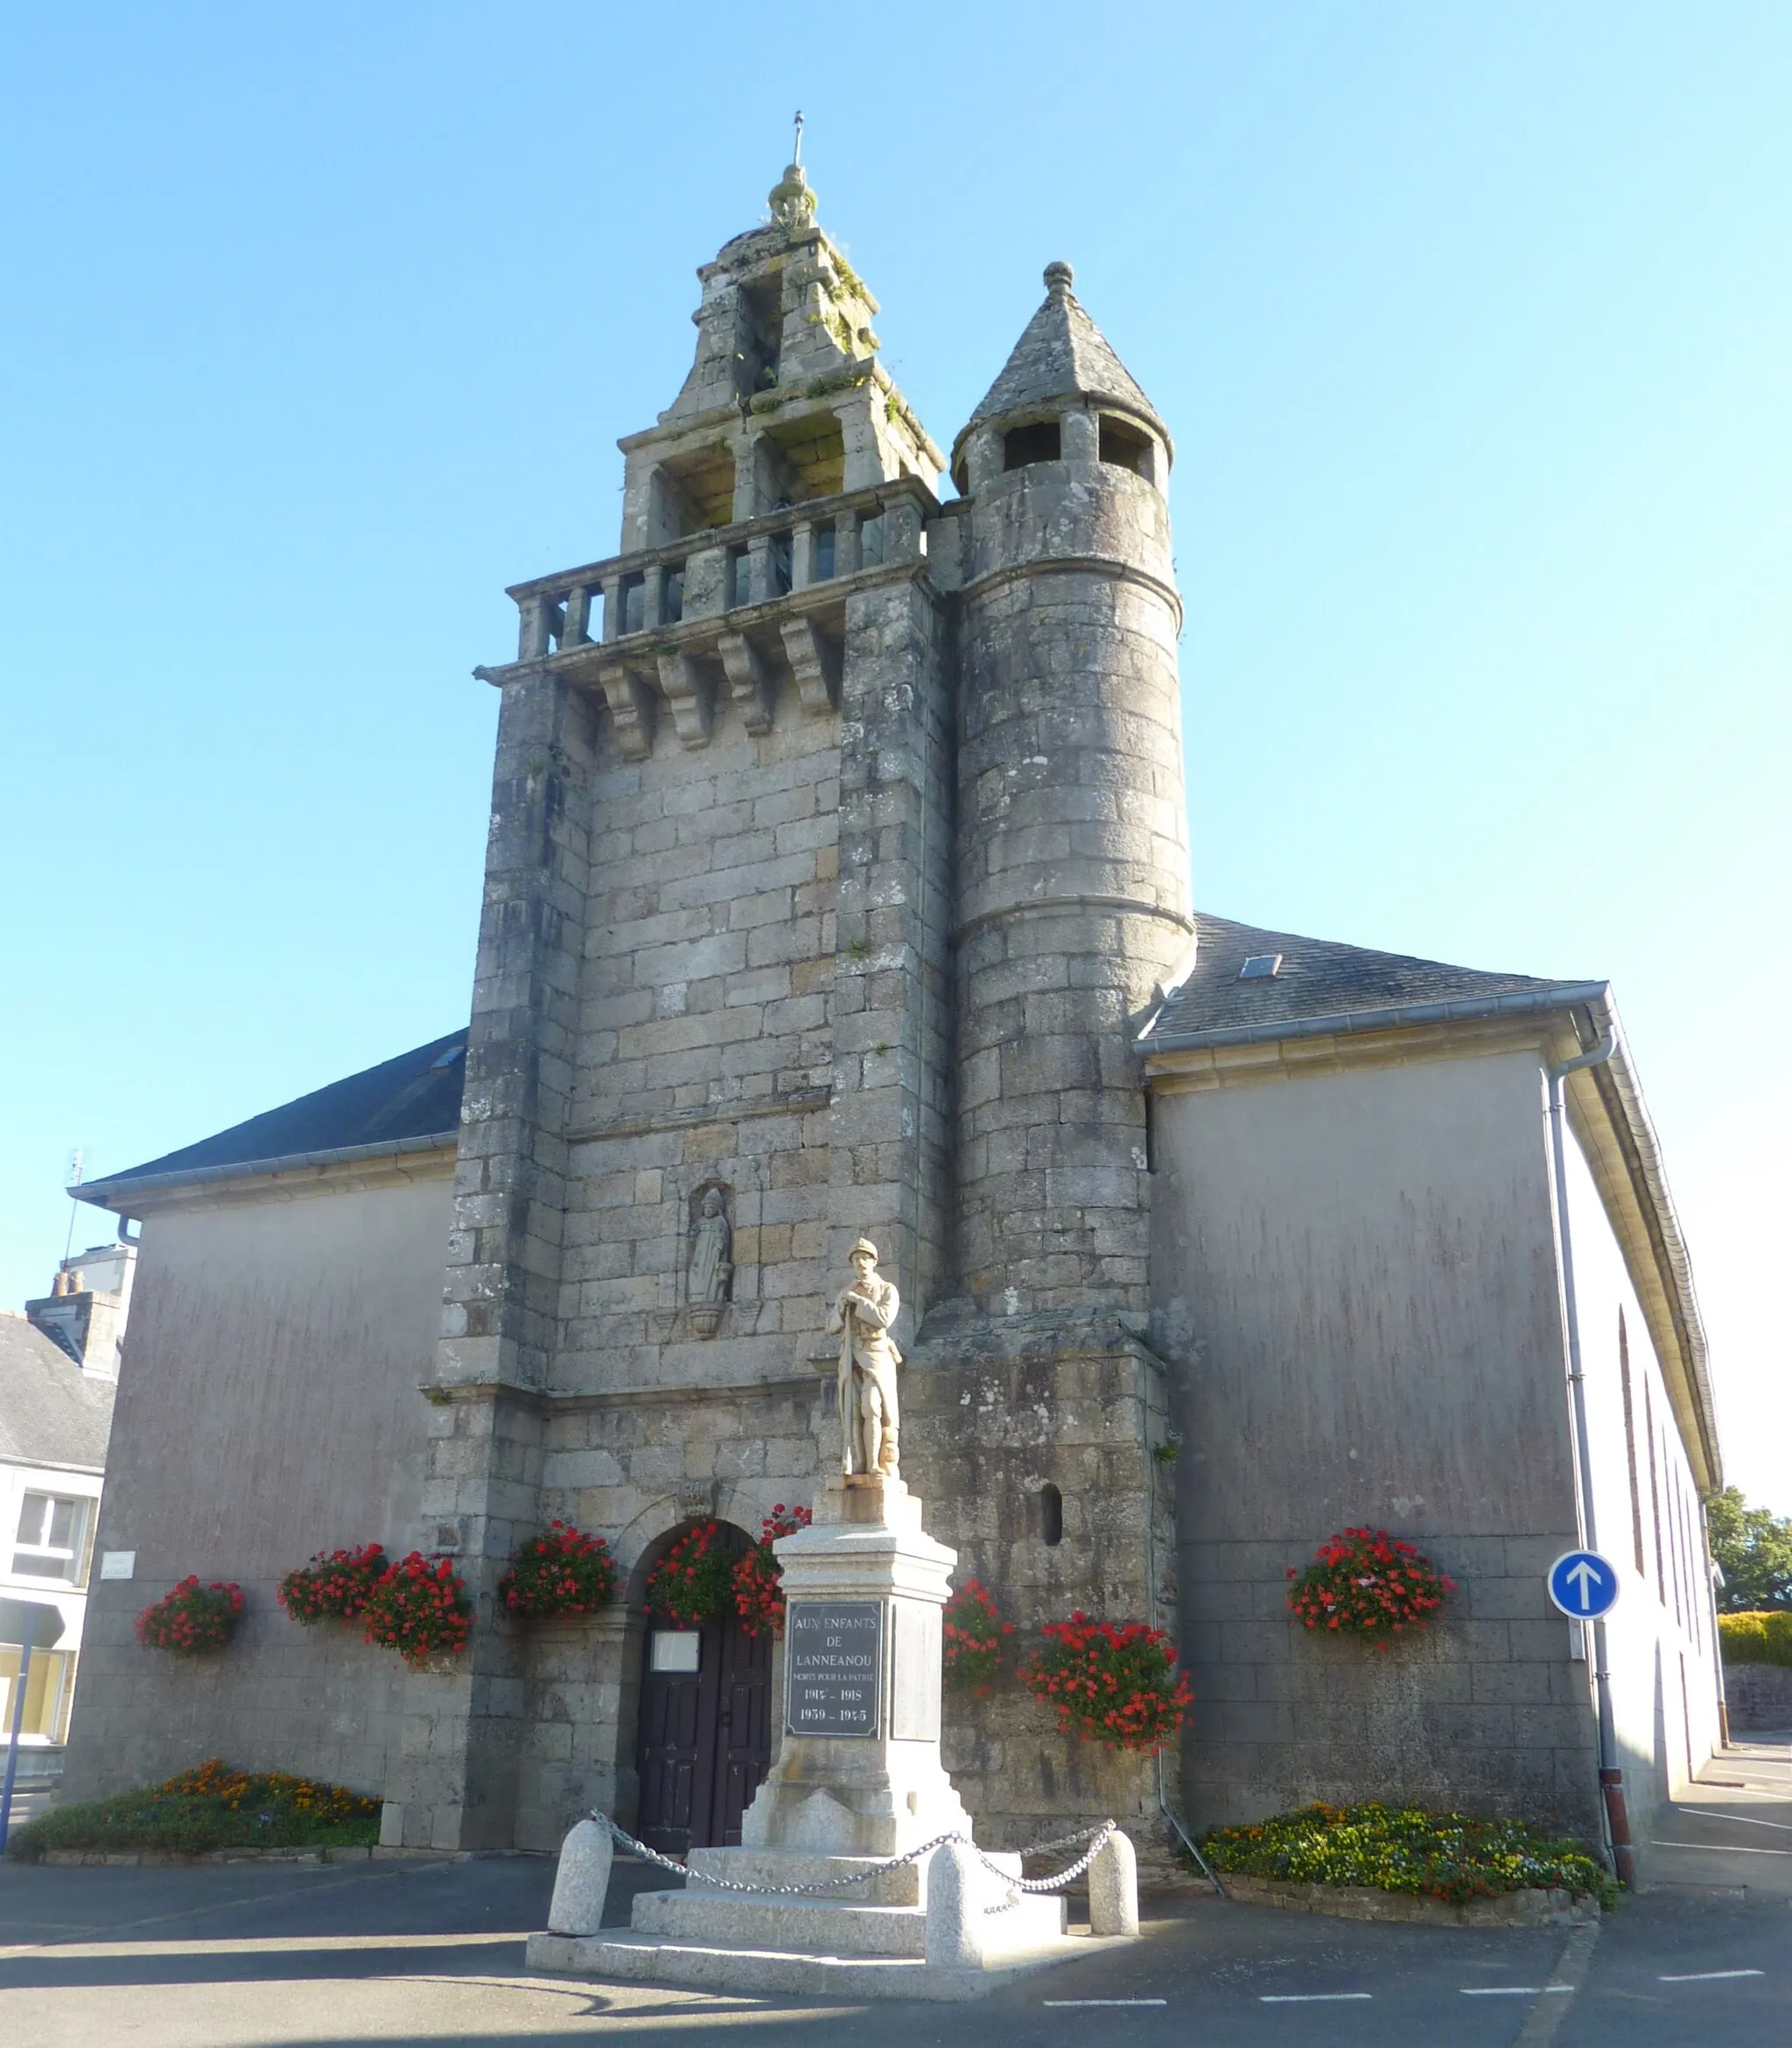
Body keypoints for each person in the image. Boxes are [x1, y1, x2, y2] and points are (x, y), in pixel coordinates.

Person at [826, 1238, 901, 1478]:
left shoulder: (887, 1289)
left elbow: (883, 1318)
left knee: (873, 1408)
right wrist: (840, 1307)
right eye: (856, 1259)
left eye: (864, 1258)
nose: (860, 1263)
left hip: (876, 1355)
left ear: (873, 1261)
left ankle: (876, 1464)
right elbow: (831, 1327)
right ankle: (860, 1462)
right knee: (853, 1411)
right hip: (851, 1356)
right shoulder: (845, 1292)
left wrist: (859, 1301)